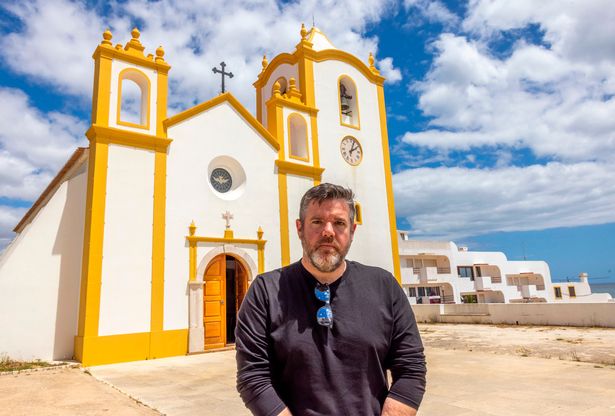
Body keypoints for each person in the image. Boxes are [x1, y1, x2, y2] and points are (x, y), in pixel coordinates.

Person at [236, 183, 426, 416]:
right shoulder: (265, 291)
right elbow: (252, 377)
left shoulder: (384, 286)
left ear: (352, 231)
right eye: (317, 222)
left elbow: (411, 368)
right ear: (299, 228)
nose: (328, 231)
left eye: (339, 223)